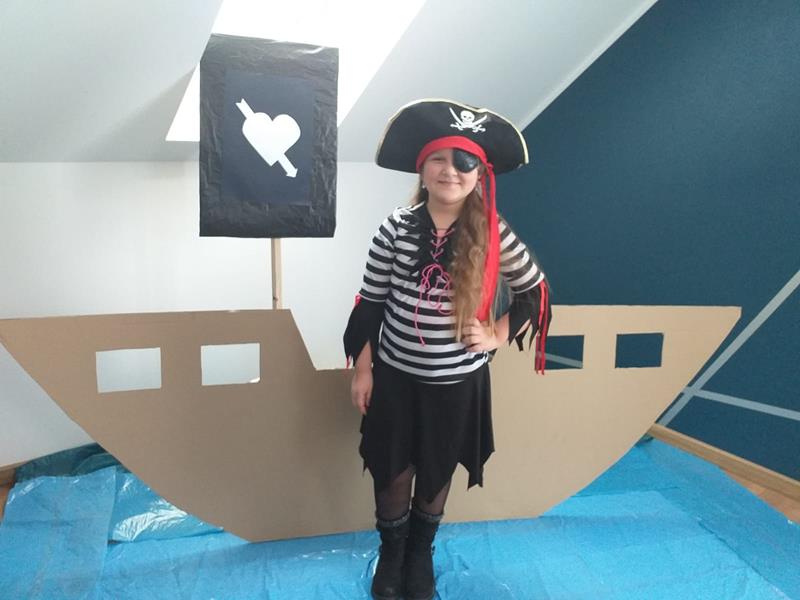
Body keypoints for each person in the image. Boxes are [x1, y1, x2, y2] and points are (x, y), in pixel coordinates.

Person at [343, 99, 551, 600]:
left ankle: (420, 555)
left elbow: (535, 290)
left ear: (479, 175)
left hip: (456, 384)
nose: (450, 171)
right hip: (395, 378)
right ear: (422, 168)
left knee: (436, 470)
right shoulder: (395, 227)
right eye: (438, 158)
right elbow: (370, 302)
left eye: (463, 162)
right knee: (393, 470)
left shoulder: (494, 233)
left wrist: (497, 334)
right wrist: (363, 370)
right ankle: (392, 555)